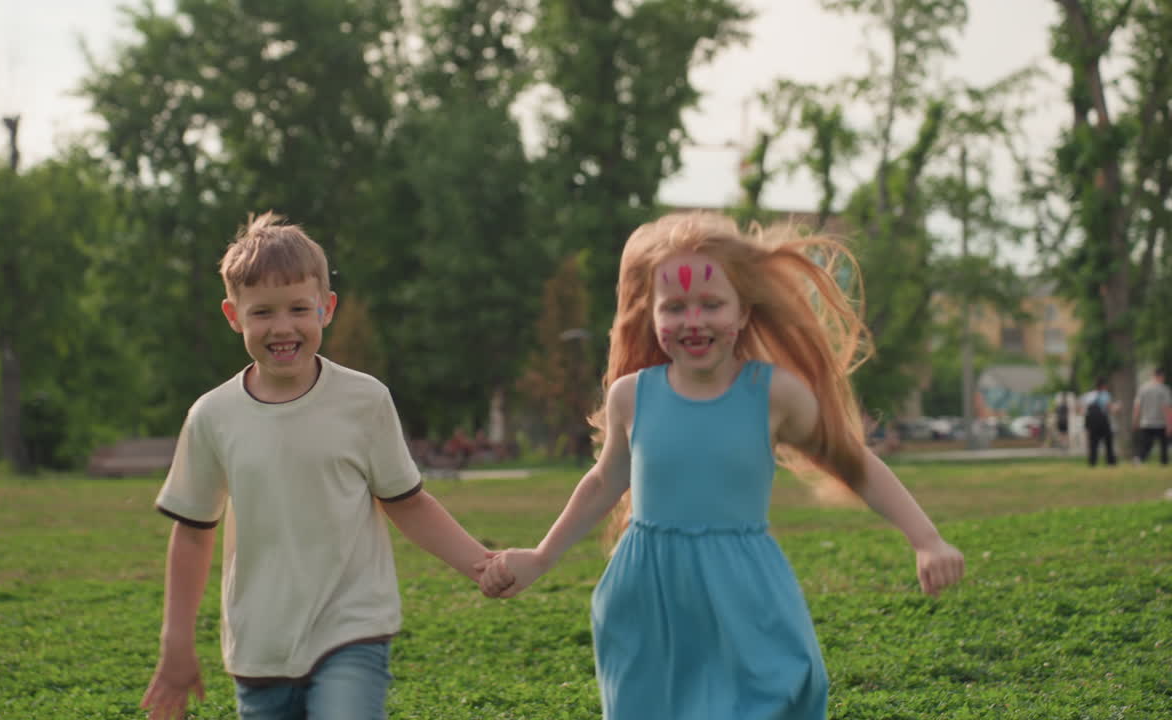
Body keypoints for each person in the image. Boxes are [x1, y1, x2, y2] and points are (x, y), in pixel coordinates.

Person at [476, 212, 965, 719]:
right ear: (651, 315)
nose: (694, 321)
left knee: (776, 696)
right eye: (675, 307)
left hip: (745, 590)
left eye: (711, 304)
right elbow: (603, 482)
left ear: (744, 312)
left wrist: (926, 539)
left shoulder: (773, 395)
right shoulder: (632, 397)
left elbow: (855, 464)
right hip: (649, 593)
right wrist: (540, 556)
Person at [141, 212, 493, 720]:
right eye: (262, 312)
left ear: (326, 309)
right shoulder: (212, 417)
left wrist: (480, 564)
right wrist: (176, 643)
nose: (282, 327)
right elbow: (193, 534)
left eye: (298, 309)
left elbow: (408, 502)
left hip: (352, 627)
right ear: (233, 315)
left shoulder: (365, 401)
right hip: (260, 642)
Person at [1133, 368, 1171, 465]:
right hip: (1160, 423)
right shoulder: (1164, 389)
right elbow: (1166, 408)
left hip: (1146, 422)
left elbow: (1137, 406)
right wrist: (1169, 424)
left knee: (1145, 445)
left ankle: (1139, 460)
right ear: (1161, 376)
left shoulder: (1143, 389)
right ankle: (1164, 463)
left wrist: (1135, 421)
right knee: (1164, 446)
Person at [1080, 378, 1117, 467]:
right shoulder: (1105, 395)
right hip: (1103, 422)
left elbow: (1081, 408)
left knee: (1093, 443)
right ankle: (1110, 461)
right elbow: (1109, 408)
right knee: (1108, 441)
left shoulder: (1089, 395)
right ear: (1103, 386)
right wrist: (1116, 408)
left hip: (1092, 423)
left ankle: (1092, 462)